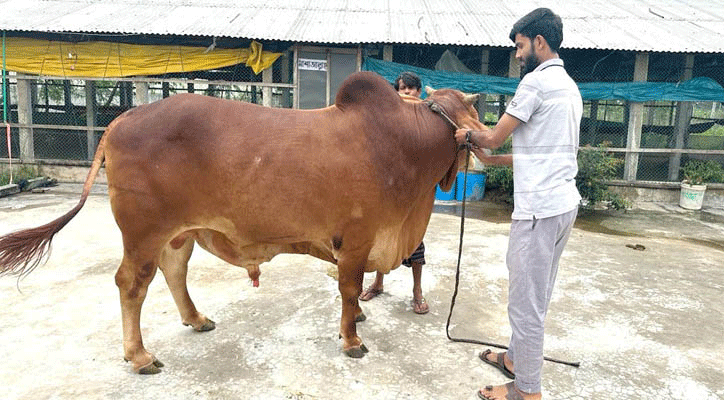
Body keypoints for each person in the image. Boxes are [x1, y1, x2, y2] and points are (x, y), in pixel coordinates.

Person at [454, 8, 582, 400]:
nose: (517, 54)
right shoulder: (569, 86)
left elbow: (492, 137)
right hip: (562, 205)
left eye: (520, 45)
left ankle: (526, 389)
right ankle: (515, 358)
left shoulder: (535, 84)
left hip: (539, 211)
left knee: (526, 304)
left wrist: (466, 136)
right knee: (536, 292)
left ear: (538, 43)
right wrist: (492, 162)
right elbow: (547, 153)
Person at [358, 71, 429, 315]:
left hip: (415, 193)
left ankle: (417, 292)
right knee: (384, 239)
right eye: (402, 89)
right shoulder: (387, 119)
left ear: (420, 92)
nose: (407, 93)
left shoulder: (427, 119)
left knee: (415, 243)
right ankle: (378, 283)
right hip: (389, 192)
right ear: (395, 93)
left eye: (411, 89)